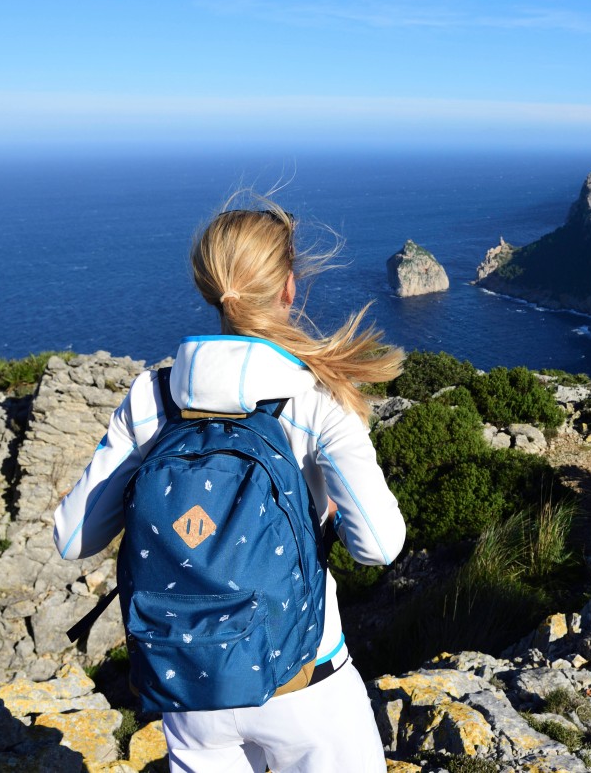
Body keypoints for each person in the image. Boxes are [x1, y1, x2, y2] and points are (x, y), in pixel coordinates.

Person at [53, 197, 406, 773]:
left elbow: (72, 539)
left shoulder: (152, 397)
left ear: (207, 287)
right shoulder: (317, 398)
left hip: (188, 687)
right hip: (306, 676)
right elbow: (381, 546)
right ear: (289, 288)